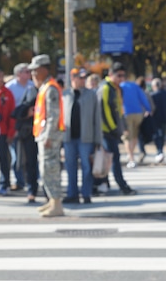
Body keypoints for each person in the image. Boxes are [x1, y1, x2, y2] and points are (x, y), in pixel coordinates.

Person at [28, 54, 65, 217]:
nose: (33, 74)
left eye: (36, 71)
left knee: (50, 169)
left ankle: (56, 204)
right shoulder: (45, 87)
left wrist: (48, 135)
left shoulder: (50, 88)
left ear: (44, 69)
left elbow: (53, 115)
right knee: (46, 169)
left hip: (49, 136)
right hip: (44, 135)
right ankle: (52, 201)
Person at [62, 67, 101, 204]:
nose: (83, 80)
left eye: (84, 78)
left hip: (86, 137)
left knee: (86, 166)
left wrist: (98, 139)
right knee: (70, 166)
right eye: (80, 77)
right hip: (68, 137)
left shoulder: (91, 95)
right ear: (73, 78)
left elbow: (97, 118)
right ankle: (72, 193)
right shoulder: (65, 94)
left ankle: (86, 193)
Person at [97, 62, 137, 196]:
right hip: (106, 130)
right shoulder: (106, 88)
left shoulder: (116, 88)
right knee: (113, 158)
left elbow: (118, 110)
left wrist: (122, 126)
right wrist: (113, 128)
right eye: (119, 75)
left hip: (112, 130)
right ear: (111, 74)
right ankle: (120, 186)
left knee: (109, 158)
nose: (122, 78)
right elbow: (104, 110)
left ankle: (104, 184)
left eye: (123, 76)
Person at [6, 63, 36, 191]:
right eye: (26, 71)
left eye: (30, 71)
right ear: (18, 73)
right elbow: (8, 111)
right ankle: (19, 181)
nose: (29, 73)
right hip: (15, 126)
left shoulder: (33, 86)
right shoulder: (10, 87)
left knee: (31, 157)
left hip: (30, 126)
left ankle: (31, 182)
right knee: (16, 157)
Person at [120, 79, 152, 168]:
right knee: (134, 135)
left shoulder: (120, 86)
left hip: (126, 113)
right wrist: (148, 109)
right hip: (138, 113)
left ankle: (131, 158)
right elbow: (143, 98)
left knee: (127, 137)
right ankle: (131, 153)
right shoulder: (135, 86)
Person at [151, 78, 166, 163]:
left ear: (154, 86)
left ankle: (159, 150)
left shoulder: (152, 95)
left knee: (156, 135)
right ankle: (160, 150)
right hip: (165, 118)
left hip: (155, 118)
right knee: (162, 135)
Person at [136, 76, 156, 163]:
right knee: (143, 134)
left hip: (137, 115)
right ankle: (142, 148)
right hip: (145, 116)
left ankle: (141, 150)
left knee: (139, 135)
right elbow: (152, 106)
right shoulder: (147, 93)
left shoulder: (135, 94)